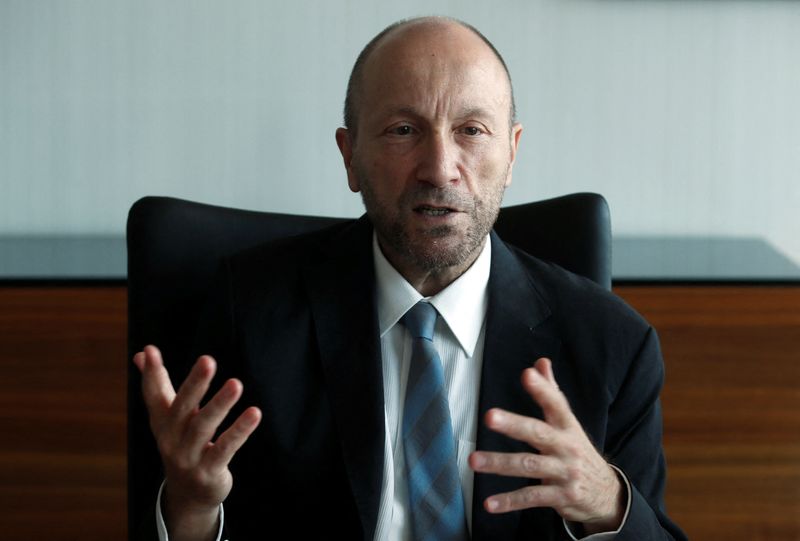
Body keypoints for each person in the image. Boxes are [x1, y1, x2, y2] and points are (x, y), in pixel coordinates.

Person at [133, 16, 686, 541]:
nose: (440, 166)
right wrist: (194, 509)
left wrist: (607, 502)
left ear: (512, 153)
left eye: (471, 129)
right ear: (350, 157)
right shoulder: (248, 312)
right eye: (403, 130)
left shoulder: (613, 343)